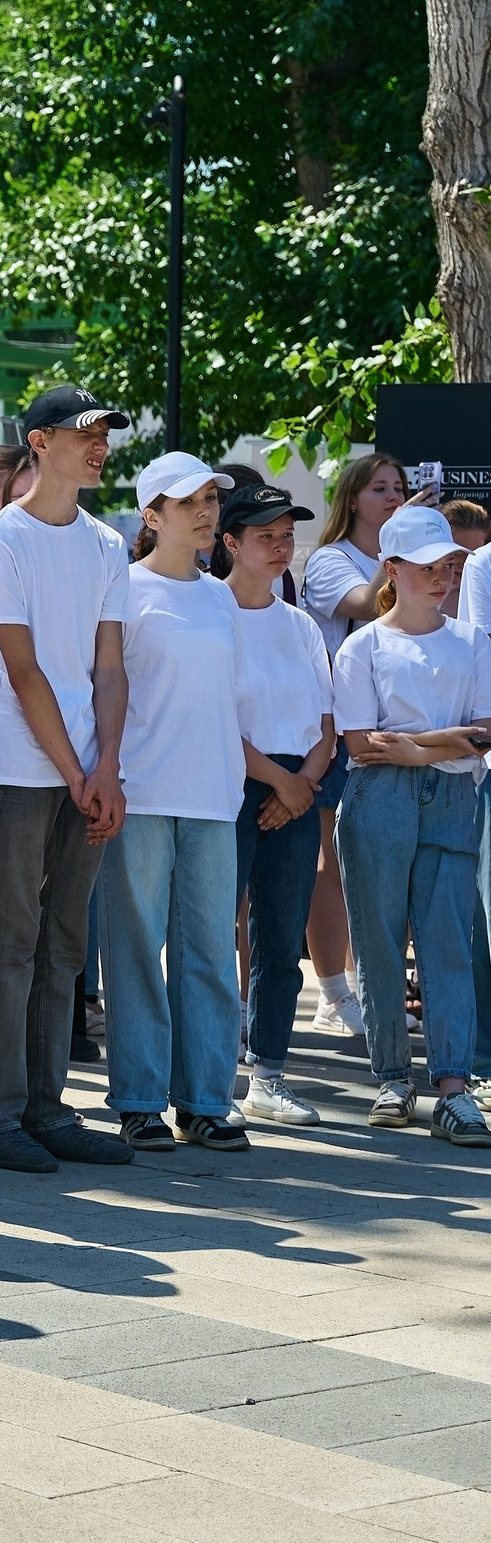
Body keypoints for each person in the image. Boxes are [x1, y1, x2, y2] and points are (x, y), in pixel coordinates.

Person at [0, 385, 136, 1174]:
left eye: (103, 431)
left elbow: (109, 666)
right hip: (16, 768)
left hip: (81, 775)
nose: (98, 443)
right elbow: (22, 671)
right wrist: (80, 772)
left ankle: (45, 1106)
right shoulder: (3, 542)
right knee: (8, 944)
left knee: (63, 944)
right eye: (82, 431)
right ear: (38, 442)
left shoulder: (106, 542)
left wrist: (107, 767)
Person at [96, 454, 250, 1154]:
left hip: (214, 796)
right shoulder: (121, 590)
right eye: (189, 500)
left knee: (212, 952)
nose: (207, 510)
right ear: (151, 514)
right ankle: (137, 1099)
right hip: (143, 790)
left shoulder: (221, 596)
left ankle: (207, 1101)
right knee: (135, 947)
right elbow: (103, 689)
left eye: (212, 498)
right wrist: (109, 774)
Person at [332, 505, 491, 1143]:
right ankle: (393, 1077)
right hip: (379, 796)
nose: (442, 577)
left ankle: (454, 1086)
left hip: (449, 796)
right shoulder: (361, 644)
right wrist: (443, 742)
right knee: (377, 940)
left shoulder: (474, 641)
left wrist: (418, 747)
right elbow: (360, 743)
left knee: (449, 939)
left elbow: (480, 734)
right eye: (427, 566)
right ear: (392, 568)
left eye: (449, 564)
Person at [217, 480, 334, 1125]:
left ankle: (269, 1073)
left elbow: (325, 721)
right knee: (211, 934)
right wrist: (276, 781)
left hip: (296, 785)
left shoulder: (300, 624)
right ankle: (208, 1074)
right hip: (231, 781)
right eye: (266, 535)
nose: (281, 546)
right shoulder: (213, 614)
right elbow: (209, 716)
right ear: (230, 542)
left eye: (288, 535)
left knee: (281, 936)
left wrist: (300, 785)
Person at [305, 453, 411, 1039]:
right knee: (332, 861)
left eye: (399, 488)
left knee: (384, 863)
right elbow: (370, 607)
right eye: (380, 488)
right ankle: (332, 990)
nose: (394, 497)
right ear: (351, 499)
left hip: (399, 729)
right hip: (339, 730)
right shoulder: (330, 560)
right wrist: (395, 559)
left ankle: (375, 985)